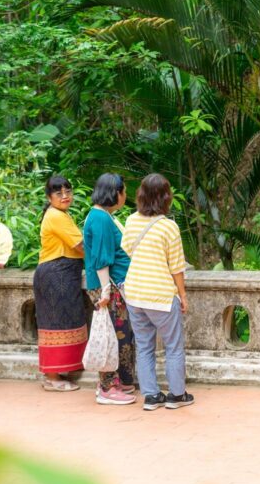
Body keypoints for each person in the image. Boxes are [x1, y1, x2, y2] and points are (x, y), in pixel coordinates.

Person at [121, 174, 192, 411]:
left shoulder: (131, 221)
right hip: (160, 294)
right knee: (173, 346)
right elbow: (177, 266)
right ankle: (177, 395)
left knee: (144, 346)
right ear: (166, 197)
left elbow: (128, 248)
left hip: (134, 293)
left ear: (140, 195)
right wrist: (182, 295)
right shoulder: (168, 226)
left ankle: (151, 396)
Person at [82, 173, 136, 405]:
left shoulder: (100, 216)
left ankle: (114, 382)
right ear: (116, 193)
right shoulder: (101, 219)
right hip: (108, 286)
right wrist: (106, 291)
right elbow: (102, 258)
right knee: (112, 335)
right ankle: (107, 386)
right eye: (123, 192)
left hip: (108, 285)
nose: (125, 197)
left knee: (117, 333)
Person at [34, 175, 89, 392]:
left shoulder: (60, 214)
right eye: (59, 193)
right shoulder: (56, 216)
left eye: (68, 191)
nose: (65, 196)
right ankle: (52, 377)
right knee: (55, 324)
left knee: (65, 321)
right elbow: (80, 246)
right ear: (50, 197)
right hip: (56, 274)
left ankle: (57, 373)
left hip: (62, 274)